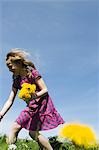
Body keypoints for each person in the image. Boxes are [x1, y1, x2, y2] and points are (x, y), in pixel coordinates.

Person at [0, 49, 65, 150]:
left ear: (19, 63)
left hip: (42, 105)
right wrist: (1, 114)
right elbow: (10, 99)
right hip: (31, 107)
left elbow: (45, 90)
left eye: (11, 66)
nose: (10, 69)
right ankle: (9, 148)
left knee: (33, 133)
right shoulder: (16, 80)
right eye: (8, 67)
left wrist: (33, 96)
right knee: (14, 127)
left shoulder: (33, 73)